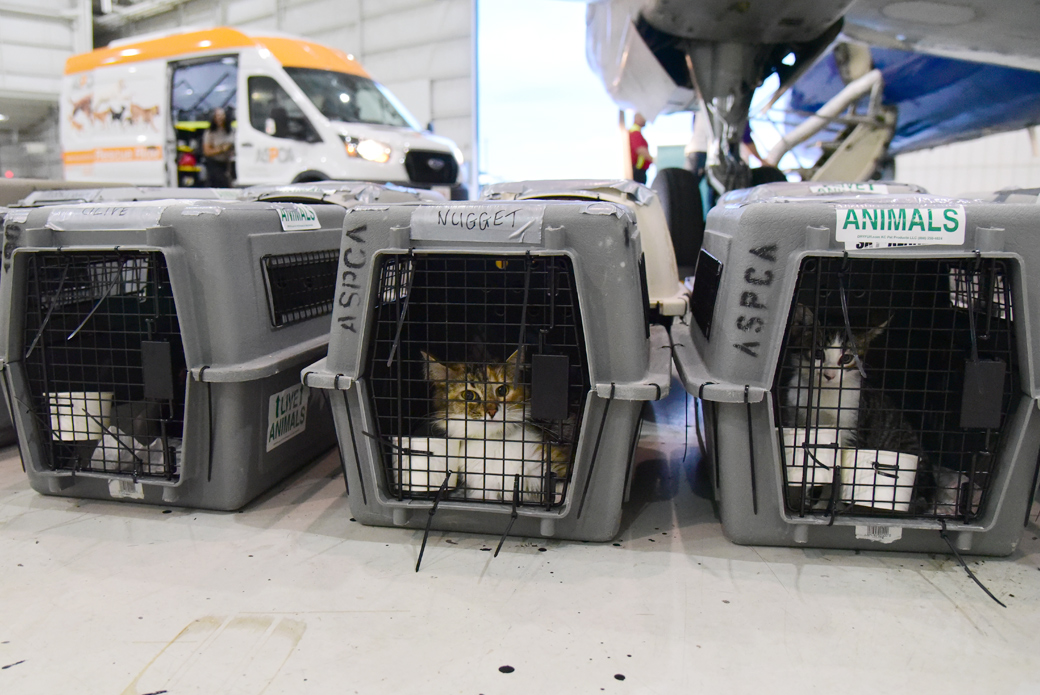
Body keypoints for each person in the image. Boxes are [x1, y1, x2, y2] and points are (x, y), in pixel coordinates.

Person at [202, 107, 234, 187]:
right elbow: (207, 151)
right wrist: (221, 149)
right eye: (217, 116)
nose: (220, 118)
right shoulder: (210, 133)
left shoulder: (231, 131)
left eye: (222, 115)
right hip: (215, 163)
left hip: (228, 163)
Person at [628, 112, 653, 184]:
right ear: (638, 118)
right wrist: (655, 161)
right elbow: (640, 150)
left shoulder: (635, 131)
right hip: (637, 171)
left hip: (638, 171)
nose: (646, 120)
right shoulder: (635, 132)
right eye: (644, 118)